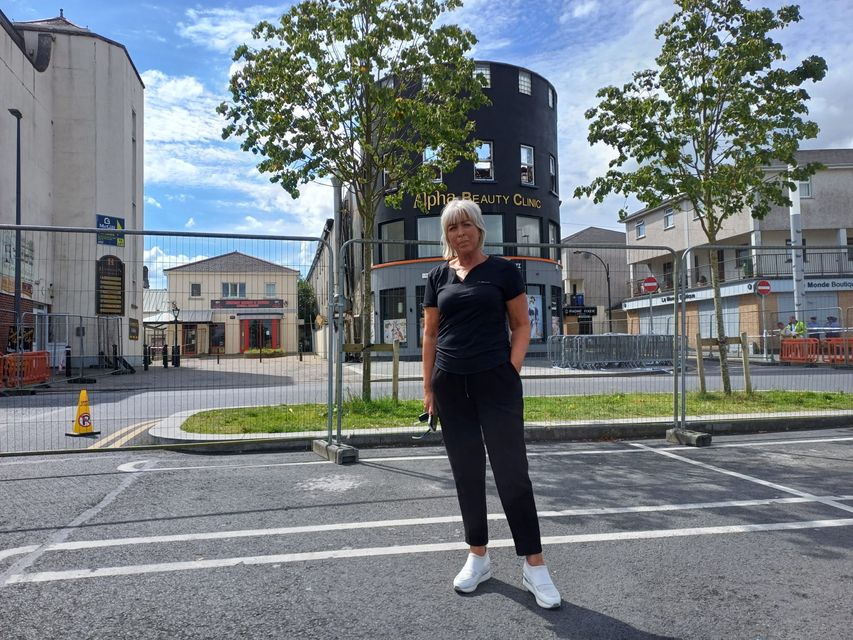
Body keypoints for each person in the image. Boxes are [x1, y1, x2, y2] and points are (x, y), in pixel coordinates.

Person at [422, 198, 561, 610]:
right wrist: (428, 388)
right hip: (450, 383)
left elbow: (521, 325)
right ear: (445, 235)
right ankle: (477, 555)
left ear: (479, 228)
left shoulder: (502, 271)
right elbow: (430, 335)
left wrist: (510, 370)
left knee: (512, 473)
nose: (459, 233)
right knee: (466, 473)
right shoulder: (437, 276)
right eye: (451, 228)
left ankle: (534, 564)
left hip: (496, 382)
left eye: (465, 225)